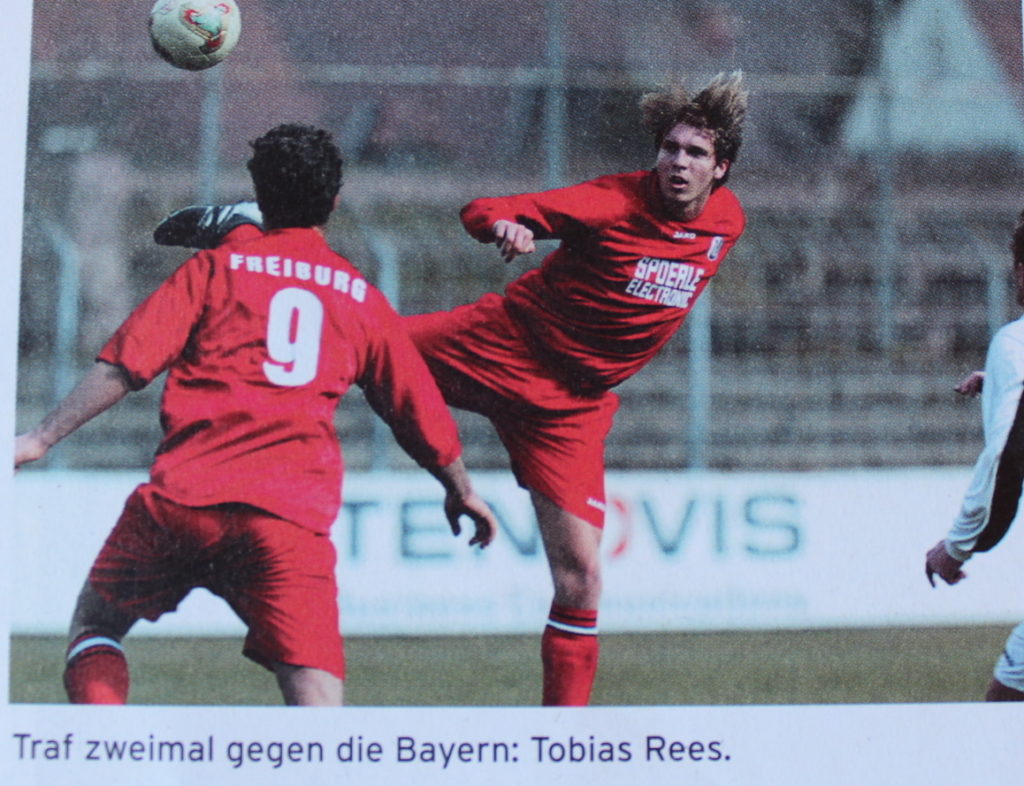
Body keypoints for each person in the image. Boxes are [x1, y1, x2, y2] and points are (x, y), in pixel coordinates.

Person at [154, 73, 748, 705]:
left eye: (694, 153)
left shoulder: (727, 223)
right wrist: (506, 226)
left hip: (571, 410)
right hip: (501, 345)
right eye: (670, 148)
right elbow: (482, 210)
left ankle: (560, 745)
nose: (676, 162)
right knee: (346, 336)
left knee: (581, 580)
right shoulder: (610, 201)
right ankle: (252, 228)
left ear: (721, 169)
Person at [15, 123, 497, 707]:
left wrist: (41, 437)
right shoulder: (357, 295)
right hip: (285, 519)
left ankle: (107, 758)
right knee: (315, 697)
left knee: (95, 628)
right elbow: (415, 409)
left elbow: (125, 365)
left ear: (261, 194)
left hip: (184, 501)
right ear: (336, 202)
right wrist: (461, 487)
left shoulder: (215, 272)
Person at [925, 209, 1024, 702]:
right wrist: (1003, 386)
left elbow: (1004, 455)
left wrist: (958, 546)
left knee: (1000, 721)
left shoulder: (1015, 343)